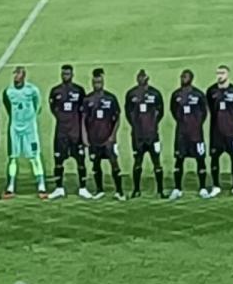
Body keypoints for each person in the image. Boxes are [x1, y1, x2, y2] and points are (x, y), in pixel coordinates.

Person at [3, 66, 46, 198]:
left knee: (34, 156)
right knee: (13, 157)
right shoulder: (8, 91)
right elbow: (8, 107)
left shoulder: (32, 90)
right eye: (15, 75)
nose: (16, 77)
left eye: (18, 74)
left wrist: (29, 118)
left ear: (23, 76)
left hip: (30, 129)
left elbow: (38, 105)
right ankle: (10, 186)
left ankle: (41, 184)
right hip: (15, 128)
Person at [48, 64, 88, 200]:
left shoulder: (79, 91)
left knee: (81, 161)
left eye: (68, 74)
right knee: (58, 161)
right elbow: (53, 109)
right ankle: (59, 188)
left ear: (72, 74)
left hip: (76, 133)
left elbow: (84, 110)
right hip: (61, 133)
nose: (66, 76)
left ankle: (83, 188)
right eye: (64, 74)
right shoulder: (55, 91)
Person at [83, 68, 124, 200]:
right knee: (96, 165)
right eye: (95, 82)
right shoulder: (88, 99)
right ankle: (99, 190)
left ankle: (119, 191)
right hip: (94, 139)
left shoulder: (110, 98)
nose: (97, 85)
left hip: (108, 140)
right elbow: (83, 120)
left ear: (103, 82)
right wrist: (85, 137)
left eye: (99, 82)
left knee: (114, 164)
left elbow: (117, 118)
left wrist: (113, 136)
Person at [125, 69, 165, 198]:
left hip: (153, 135)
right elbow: (128, 113)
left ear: (147, 79)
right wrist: (136, 126)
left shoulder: (155, 94)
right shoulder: (131, 94)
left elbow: (161, 112)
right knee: (137, 162)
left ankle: (160, 190)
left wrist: (152, 125)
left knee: (157, 162)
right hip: (137, 136)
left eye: (143, 77)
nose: (141, 80)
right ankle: (136, 190)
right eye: (139, 77)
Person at [170, 69, 210, 200]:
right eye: (182, 76)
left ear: (191, 78)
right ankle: (177, 189)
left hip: (196, 134)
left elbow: (204, 112)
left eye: (185, 77)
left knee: (200, 160)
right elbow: (173, 111)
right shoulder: (176, 95)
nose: (182, 78)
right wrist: (183, 123)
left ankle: (203, 188)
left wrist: (196, 124)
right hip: (181, 134)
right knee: (179, 160)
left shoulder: (198, 95)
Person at [205, 65, 233, 198]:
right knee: (214, 158)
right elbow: (209, 108)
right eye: (218, 73)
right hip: (216, 132)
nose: (220, 75)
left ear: (228, 74)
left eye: (222, 73)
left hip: (232, 132)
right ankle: (216, 186)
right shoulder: (211, 91)